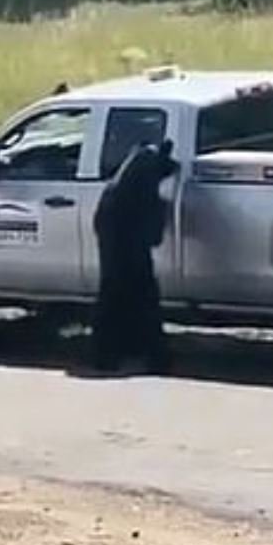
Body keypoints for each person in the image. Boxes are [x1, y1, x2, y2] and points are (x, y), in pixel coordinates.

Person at [91, 140, 178, 372]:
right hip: (120, 234)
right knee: (136, 294)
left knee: (120, 293)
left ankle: (121, 352)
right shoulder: (147, 174)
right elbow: (153, 235)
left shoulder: (136, 166)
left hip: (116, 229)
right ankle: (147, 356)